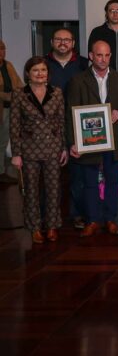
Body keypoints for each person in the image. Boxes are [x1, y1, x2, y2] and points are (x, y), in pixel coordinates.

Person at [66, 40, 118, 237]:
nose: (103, 59)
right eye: (99, 55)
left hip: (113, 140)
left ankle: (110, 219)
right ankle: (92, 220)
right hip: (88, 140)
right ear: (91, 56)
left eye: (107, 55)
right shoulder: (78, 80)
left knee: (113, 181)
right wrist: (72, 142)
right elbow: (70, 114)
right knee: (89, 183)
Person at [9, 57, 67, 243]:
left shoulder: (56, 93)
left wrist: (64, 147)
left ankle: (52, 226)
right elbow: (14, 125)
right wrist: (16, 154)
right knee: (31, 191)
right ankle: (34, 228)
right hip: (29, 150)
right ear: (28, 73)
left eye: (43, 70)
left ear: (48, 73)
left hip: (52, 148)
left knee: (53, 189)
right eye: (35, 70)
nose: (40, 73)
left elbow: (61, 122)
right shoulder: (19, 94)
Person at [44, 28, 90, 228]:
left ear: (73, 43)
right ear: (52, 42)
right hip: (49, 126)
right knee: (49, 175)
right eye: (58, 39)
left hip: (76, 123)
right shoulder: (43, 64)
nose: (63, 43)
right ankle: (49, 217)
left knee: (78, 174)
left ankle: (77, 214)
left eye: (67, 40)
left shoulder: (83, 64)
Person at [0, 39, 24, 179]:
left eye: (2, 49)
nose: (1, 52)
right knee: (1, 140)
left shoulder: (8, 65)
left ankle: (2, 170)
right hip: (2, 109)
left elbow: (18, 83)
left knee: (4, 140)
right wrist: (9, 96)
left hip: (11, 108)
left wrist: (24, 94)